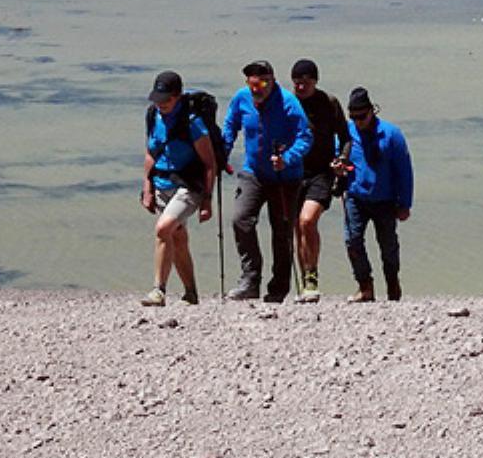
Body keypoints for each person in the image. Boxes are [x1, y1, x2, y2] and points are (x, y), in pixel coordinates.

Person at [221, 60, 312, 302]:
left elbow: (305, 137)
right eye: (252, 86)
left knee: (281, 232)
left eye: (262, 85)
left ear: (272, 80)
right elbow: (231, 125)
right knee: (241, 219)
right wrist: (223, 151)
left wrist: (288, 159)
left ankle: (279, 288)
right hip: (254, 173)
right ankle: (250, 280)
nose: (257, 91)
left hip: (286, 177)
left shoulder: (289, 103)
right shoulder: (242, 98)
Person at [140, 70, 216, 306]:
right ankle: (191, 293)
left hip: (188, 186)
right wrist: (147, 188)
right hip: (162, 183)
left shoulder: (193, 124)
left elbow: (210, 164)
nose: (161, 104)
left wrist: (206, 201)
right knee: (177, 237)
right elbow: (151, 153)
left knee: (163, 229)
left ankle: (158, 290)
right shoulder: (153, 115)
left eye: (167, 99)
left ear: (178, 96)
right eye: (158, 99)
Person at [336, 87, 413, 303]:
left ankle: (392, 284)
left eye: (362, 116)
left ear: (372, 111)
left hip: (386, 200)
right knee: (352, 240)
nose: (358, 121)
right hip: (355, 197)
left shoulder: (392, 135)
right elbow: (336, 158)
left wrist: (405, 203)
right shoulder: (346, 134)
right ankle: (365, 286)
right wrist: (337, 168)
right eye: (354, 117)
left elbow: (404, 171)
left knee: (388, 245)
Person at [290, 58, 347, 303]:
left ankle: (312, 275)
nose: (301, 87)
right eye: (296, 83)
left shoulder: (329, 103)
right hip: (292, 173)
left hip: (321, 172)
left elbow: (345, 137)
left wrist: (341, 159)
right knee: (295, 227)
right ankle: (305, 281)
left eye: (306, 82)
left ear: (315, 81)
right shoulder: (287, 104)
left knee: (307, 221)